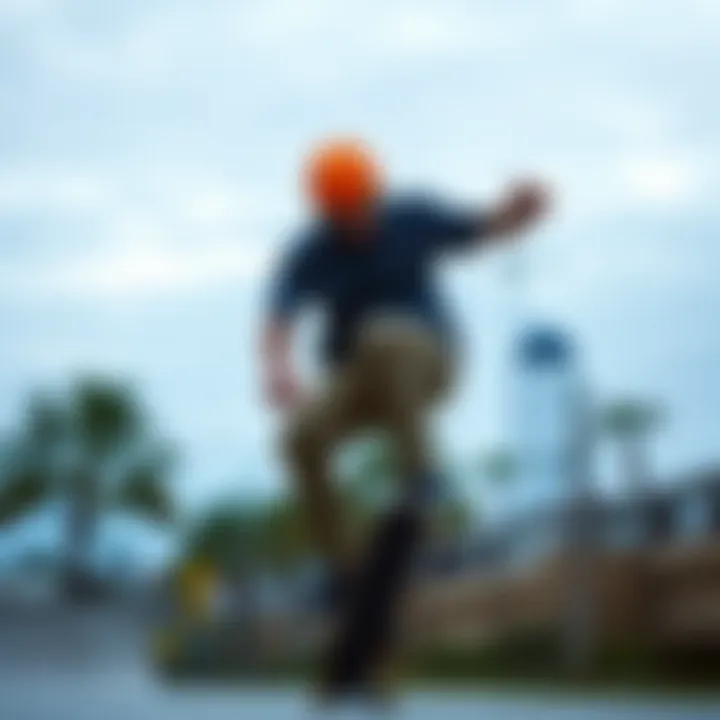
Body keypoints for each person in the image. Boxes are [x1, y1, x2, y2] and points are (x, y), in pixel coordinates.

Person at [260, 137, 551, 693]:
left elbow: (483, 228)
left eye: (362, 209)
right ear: (324, 213)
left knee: (383, 334)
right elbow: (278, 313)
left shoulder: (411, 216)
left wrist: (519, 211)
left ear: (375, 194)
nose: (356, 224)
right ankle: (342, 572)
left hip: (431, 360)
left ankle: (422, 475)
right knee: (299, 439)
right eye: (342, 217)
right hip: (359, 382)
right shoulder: (310, 249)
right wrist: (277, 368)